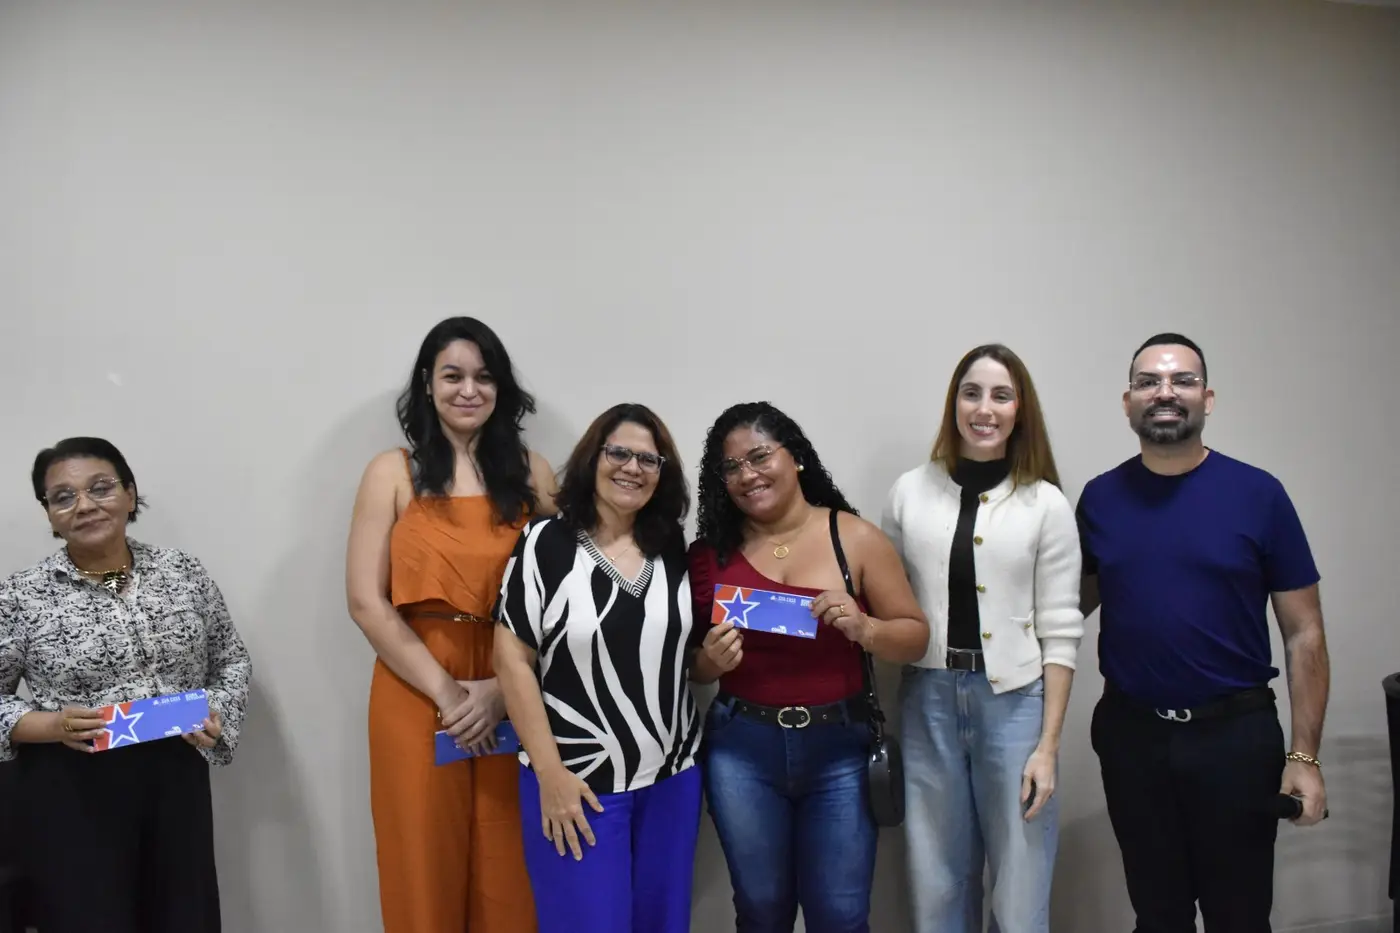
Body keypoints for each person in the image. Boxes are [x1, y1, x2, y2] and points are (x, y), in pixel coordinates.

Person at [1077, 333, 1330, 933]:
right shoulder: (1100, 498)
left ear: (1207, 398)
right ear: (1128, 402)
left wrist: (1304, 757)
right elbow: (1065, 610)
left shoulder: (1258, 494)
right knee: (1157, 915)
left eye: (1182, 380)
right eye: (1149, 382)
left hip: (1235, 739)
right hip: (1132, 737)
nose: (1165, 392)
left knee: (1239, 917)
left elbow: (1305, 634)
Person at [345, 316, 557, 933]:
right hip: (415, 686)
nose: (469, 390)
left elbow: (564, 595)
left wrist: (502, 690)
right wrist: (448, 693)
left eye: (484, 377)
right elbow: (365, 601)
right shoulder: (391, 472)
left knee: (510, 864)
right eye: (452, 376)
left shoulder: (534, 473)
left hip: (515, 682)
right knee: (422, 861)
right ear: (427, 384)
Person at [688, 401, 930, 933]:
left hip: (839, 749)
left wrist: (866, 629)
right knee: (761, 910)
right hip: (741, 749)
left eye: (759, 457)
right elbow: (694, 669)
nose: (747, 475)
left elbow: (915, 638)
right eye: (731, 467)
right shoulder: (708, 555)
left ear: (794, 457)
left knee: (840, 915)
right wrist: (709, 660)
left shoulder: (854, 538)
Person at [0, 436, 252, 933]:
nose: (85, 505)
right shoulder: (21, 596)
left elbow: (231, 659)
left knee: (183, 915)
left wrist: (217, 711)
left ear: (130, 493)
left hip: (175, 777)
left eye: (101, 487)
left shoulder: (181, 572)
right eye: (63, 496)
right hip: (73, 788)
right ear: (49, 514)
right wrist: (49, 725)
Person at [882, 344, 1083, 933]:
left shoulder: (1045, 503)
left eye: (1001, 395)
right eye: (971, 393)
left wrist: (1048, 746)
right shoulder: (909, 492)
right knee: (936, 877)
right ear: (954, 404)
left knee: (1021, 883)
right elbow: (891, 605)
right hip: (928, 699)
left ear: (1020, 409)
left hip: (1017, 704)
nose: (984, 409)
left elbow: (1061, 630)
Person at [493, 403, 702, 933]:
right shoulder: (545, 543)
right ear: (593, 458)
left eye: (649, 459)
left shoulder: (671, 547)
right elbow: (512, 660)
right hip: (577, 782)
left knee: (663, 924)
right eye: (619, 453)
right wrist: (550, 775)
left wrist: (712, 662)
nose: (633, 467)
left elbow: (674, 658)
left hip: (673, 777)